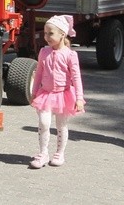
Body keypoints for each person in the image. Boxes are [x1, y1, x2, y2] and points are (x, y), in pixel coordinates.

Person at [29, 15, 85, 169]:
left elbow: (76, 78)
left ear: (62, 34)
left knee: (61, 125)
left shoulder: (70, 55)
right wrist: (34, 92)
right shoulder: (43, 52)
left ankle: (60, 152)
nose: (46, 37)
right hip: (45, 94)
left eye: (50, 33)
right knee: (44, 123)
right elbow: (39, 73)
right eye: (45, 33)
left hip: (63, 95)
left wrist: (79, 98)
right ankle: (43, 153)